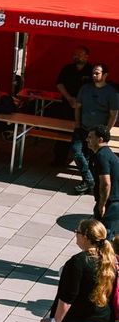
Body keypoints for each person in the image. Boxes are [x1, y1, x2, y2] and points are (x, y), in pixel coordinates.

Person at [72, 64, 119, 195]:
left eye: (97, 73)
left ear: (105, 75)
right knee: (77, 152)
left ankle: (88, 182)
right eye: (93, 73)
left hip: (98, 132)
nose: (94, 75)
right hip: (82, 128)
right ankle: (89, 180)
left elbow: (114, 114)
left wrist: (106, 130)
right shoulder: (85, 88)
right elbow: (78, 106)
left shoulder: (112, 93)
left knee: (93, 158)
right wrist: (77, 123)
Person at [53, 46, 93, 167]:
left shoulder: (92, 70)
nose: (76, 57)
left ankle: (84, 162)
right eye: (75, 54)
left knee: (84, 134)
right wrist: (69, 98)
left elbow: (95, 88)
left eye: (80, 54)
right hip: (67, 105)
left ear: (86, 56)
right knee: (62, 132)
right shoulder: (67, 68)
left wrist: (81, 102)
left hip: (85, 108)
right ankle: (59, 159)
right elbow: (59, 83)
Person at [90, 125, 119, 241]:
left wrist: (102, 204)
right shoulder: (109, 154)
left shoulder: (101, 156)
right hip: (114, 202)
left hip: (111, 204)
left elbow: (106, 183)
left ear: (100, 140)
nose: (87, 140)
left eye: (90, 137)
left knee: (102, 238)